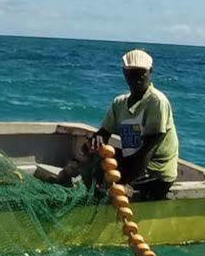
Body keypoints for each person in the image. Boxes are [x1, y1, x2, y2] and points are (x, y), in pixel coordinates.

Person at [58, 49, 179, 200]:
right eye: (132, 72)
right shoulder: (120, 103)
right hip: (131, 160)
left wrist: (125, 181)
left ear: (150, 71)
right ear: (124, 73)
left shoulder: (157, 102)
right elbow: (104, 133)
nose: (138, 77)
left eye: (142, 72)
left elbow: (147, 150)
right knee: (88, 164)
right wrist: (96, 141)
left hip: (155, 171)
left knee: (103, 179)